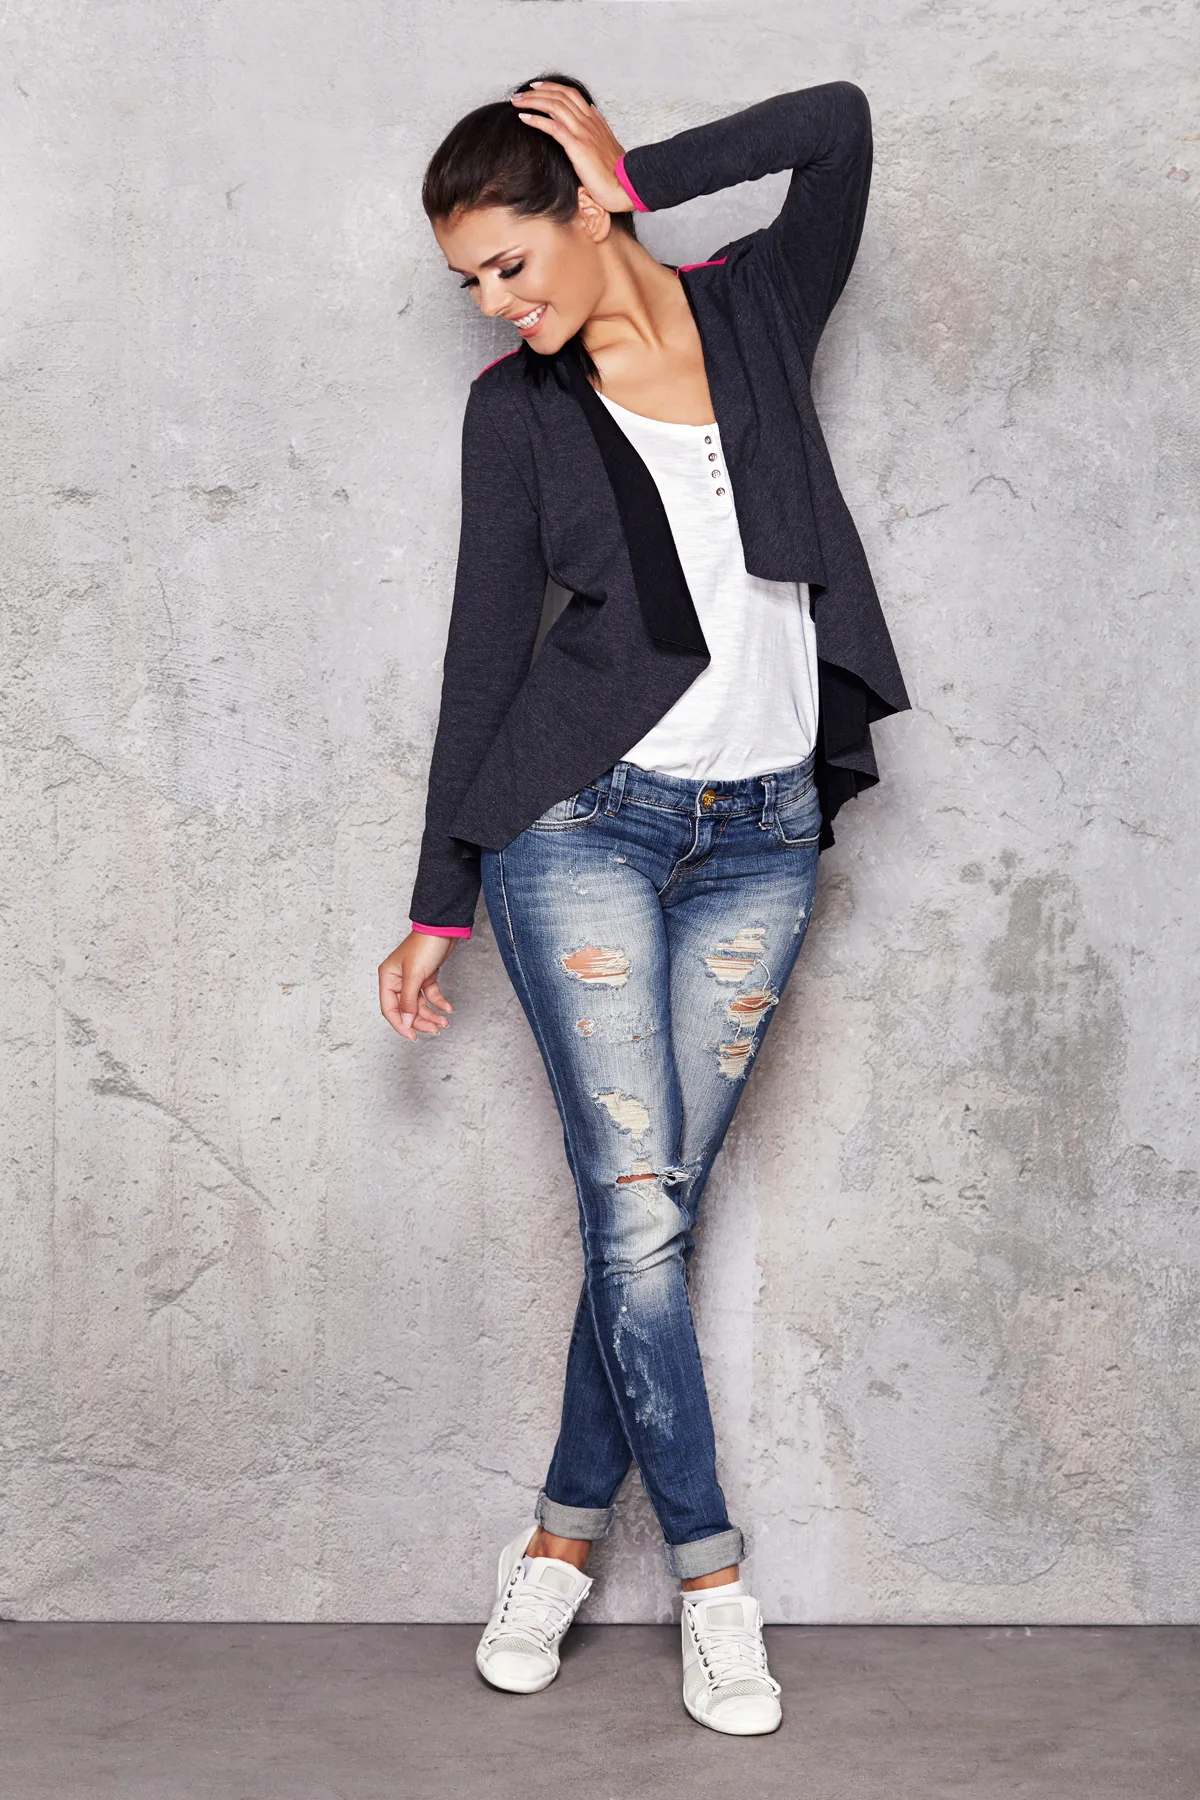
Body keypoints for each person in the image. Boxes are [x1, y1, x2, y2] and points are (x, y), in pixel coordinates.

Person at [378, 72, 909, 1736]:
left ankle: (555, 1534)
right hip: (580, 831)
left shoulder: (755, 311)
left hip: (764, 837)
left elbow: (840, 125)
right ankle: (713, 1584)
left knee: (652, 1217)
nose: (493, 301)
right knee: (636, 1212)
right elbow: (484, 646)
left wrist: (641, 170)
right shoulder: (517, 413)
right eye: (469, 279)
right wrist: (439, 897)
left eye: (508, 262)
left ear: (584, 211)